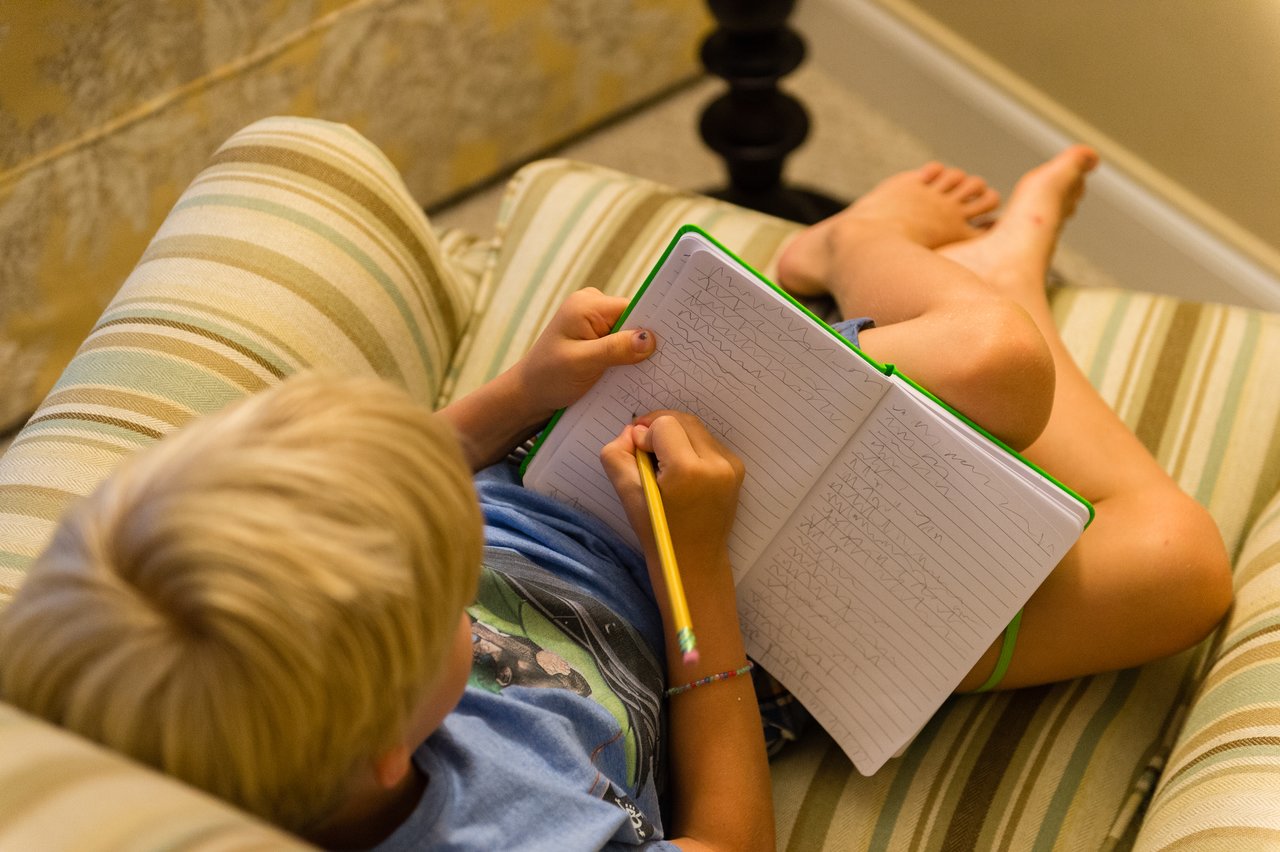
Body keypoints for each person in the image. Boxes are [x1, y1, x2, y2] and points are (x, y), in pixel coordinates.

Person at [0, 144, 1232, 850]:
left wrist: (519, 396)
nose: (456, 544)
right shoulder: (505, 829)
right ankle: (953, 263)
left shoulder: (162, 696)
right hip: (736, 648)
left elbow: (398, 486)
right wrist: (694, 578)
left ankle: (872, 260)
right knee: (1176, 568)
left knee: (991, 369)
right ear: (392, 752)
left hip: (597, 473)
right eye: (449, 588)